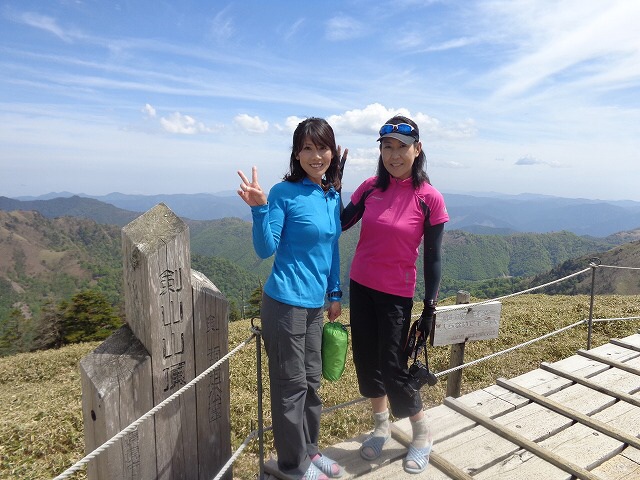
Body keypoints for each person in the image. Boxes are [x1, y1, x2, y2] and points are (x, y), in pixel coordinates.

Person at [237, 117, 347, 480]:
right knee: (290, 387)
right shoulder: (283, 193)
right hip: (284, 304)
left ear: (332, 151)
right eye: (308, 148)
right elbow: (265, 248)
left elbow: (331, 248)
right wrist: (259, 208)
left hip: (317, 306)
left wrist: (334, 293)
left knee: (312, 380)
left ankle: (311, 451)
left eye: (323, 147)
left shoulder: (331, 195)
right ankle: (293, 465)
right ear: (297, 153)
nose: (316, 156)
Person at [341, 115, 449, 474]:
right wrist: (330, 189)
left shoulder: (429, 198)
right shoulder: (370, 187)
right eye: (387, 147)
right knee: (365, 362)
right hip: (361, 286)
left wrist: (430, 307)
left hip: (396, 296)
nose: (393, 155)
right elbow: (341, 222)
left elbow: (433, 255)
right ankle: (381, 427)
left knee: (392, 366)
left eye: (401, 147)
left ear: (417, 150)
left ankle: (422, 433)